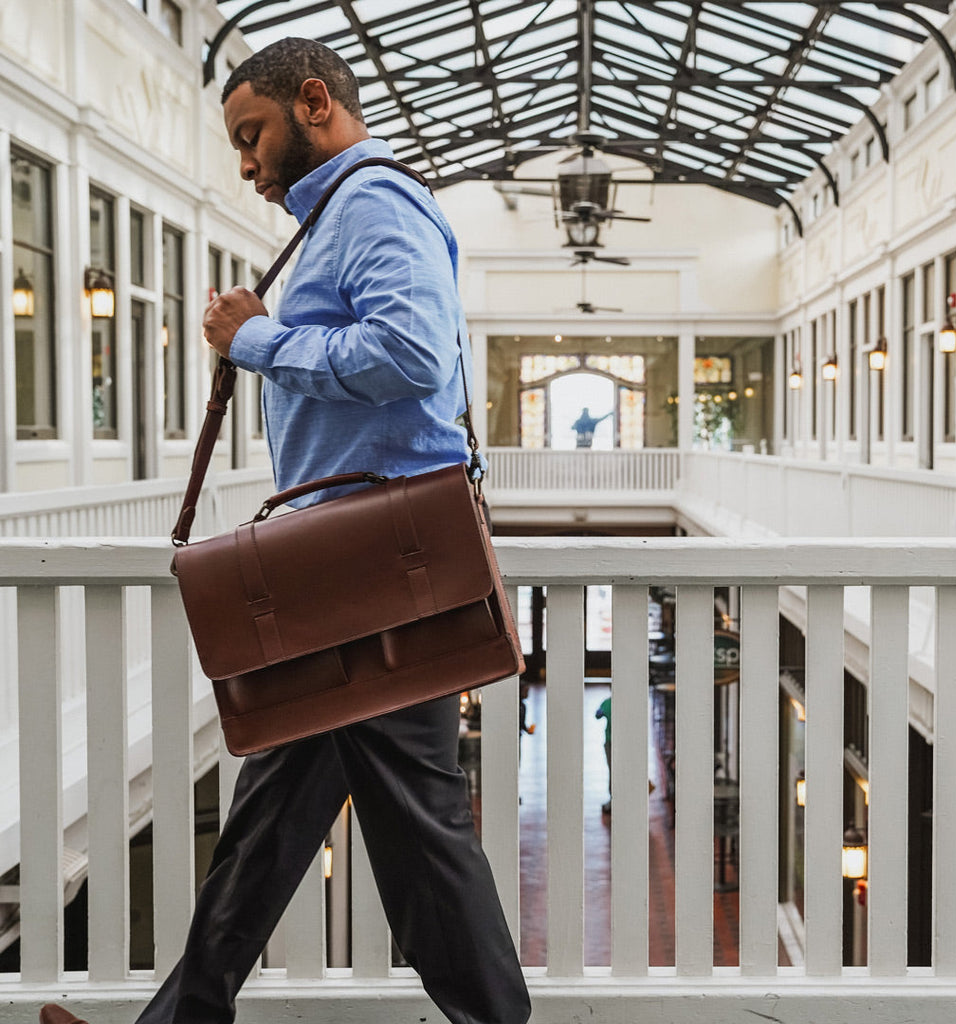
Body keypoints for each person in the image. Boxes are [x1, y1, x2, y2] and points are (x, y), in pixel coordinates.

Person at [41, 36, 530, 1024]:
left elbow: (409, 353)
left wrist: (256, 339)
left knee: (422, 839)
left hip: (379, 566)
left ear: (315, 103)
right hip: (353, 569)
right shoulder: (336, 219)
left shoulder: (374, 204)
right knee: (268, 826)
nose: (245, 163)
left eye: (251, 135)